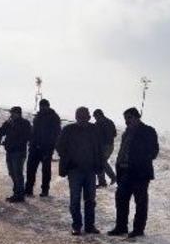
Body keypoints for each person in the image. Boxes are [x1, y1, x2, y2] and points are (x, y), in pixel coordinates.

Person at [108, 108, 159, 238]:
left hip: (140, 173)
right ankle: (121, 227)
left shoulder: (148, 131)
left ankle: (138, 229)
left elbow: (153, 151)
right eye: (125, 118)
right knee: (121, 199)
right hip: (125, 172)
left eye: (129, 117)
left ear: (137, 117)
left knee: (140, 202)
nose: (127, 121)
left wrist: (139, 160)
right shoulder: (126, 133)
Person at [55, 107, 102, 235]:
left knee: (90, 200)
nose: (82, 119)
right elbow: (59, 146)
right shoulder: (68, 130)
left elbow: (98, 149)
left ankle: (90, 226)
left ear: (89, 117)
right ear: (76, 117)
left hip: (90, 171)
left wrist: (99, 167)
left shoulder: (94, 130)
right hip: (74, 171)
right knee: (75, 199)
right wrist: (69, 159)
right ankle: (76, 226)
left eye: (84, 116)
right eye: (79, 116)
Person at [25, 99, 61, 197]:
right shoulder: (38, 116)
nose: (42, 108)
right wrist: (31, 141)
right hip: (34, 147)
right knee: (30, 169)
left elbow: (57, 133)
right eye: (41, 106)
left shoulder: (54, 117)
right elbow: (34, 131)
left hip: (46, 148)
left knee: (45, 170)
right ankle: (28, 189)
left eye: (44, 106)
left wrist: (51, 146)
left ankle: (45, 190)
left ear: (48, 106)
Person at [0, 106, 32, 203]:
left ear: (18, 113)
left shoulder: (25, 123)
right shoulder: (9, 123)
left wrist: (13, 142)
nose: (11, 115)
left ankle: (20, 195)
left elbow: (28, 137)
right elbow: (1, 132)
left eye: (13, 113)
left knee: (18, 174)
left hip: (19, 152)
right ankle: (16, 192)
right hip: (10, 151)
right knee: (12, 173)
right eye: (11, 113)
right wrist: (6, 125)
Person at [93, 109, 117, 187]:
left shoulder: (98, 123)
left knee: (101, 162)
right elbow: (115, 134)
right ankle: (102, 182)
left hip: (104, 146)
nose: (95, 118)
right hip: (110, 146)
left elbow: (95, 136)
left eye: (95, 116)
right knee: (101, 162)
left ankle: (112, 177)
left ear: (98, 115)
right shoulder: (110, 121)